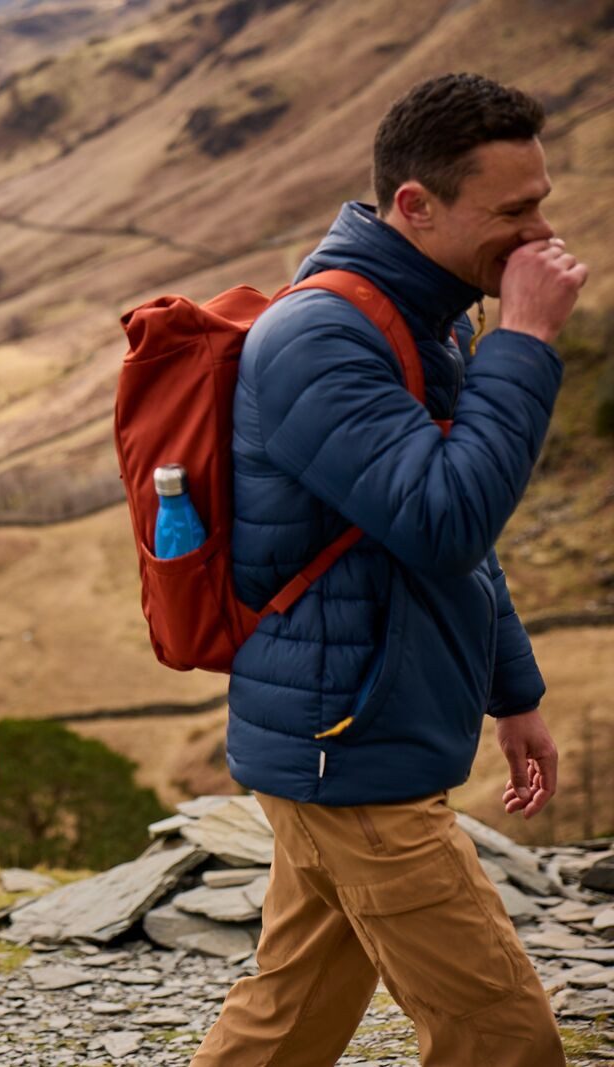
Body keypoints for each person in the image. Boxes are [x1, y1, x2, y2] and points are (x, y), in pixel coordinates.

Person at [192, 74, 586, 1065]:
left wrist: (514, 690)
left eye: (540, 200)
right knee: (504, 1036)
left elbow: (448, 545)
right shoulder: (320, 339)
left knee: (288, 1018)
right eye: (512, 211)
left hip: (351, 732)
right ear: (414, 205)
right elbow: (444, 518)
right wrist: (529, 342)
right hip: (349, 749)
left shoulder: (428, 317)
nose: (540, 232)